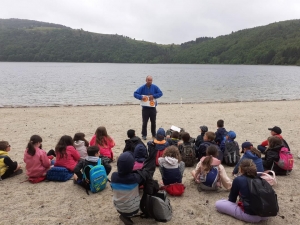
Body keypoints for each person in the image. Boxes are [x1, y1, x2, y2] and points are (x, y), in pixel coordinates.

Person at [110, 140, 157, 225]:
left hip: (118, 207)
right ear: (132, 166)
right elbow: (147, 174)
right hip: (134, 209)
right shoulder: (135, 178)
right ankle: (136, 212)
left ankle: (124, 215)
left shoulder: (113, 176)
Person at [134, 75, 163, 140]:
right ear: (146, 80)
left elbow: (160, 93)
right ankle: (144, 135)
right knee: (144, 122)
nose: (150, 81)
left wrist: (154, 96)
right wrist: (141, 97)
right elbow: (135, 94)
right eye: (148, 80)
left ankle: (154, 134)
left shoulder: (155, 87)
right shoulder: (142, 87)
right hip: (145, 108)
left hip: (153, 108)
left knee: (153, 122)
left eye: (151, 80)